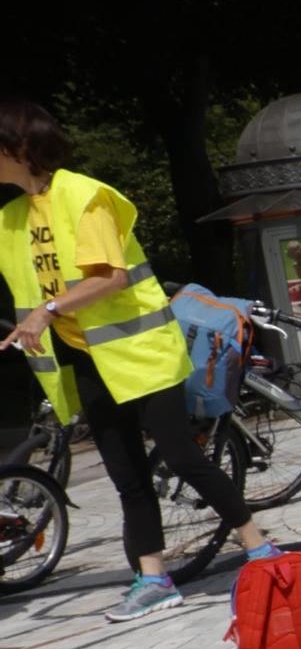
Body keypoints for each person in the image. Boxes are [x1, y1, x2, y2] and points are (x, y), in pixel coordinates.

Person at [0, 97, 277, 622]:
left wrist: (46, 310)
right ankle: (153, 579)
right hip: (88, 360)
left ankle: (260, 548)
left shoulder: (84, 197)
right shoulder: (11, 217)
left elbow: (112, 277)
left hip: (140, 354)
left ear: (20, 146)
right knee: (127, 476)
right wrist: (31, 322)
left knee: (184, 457)